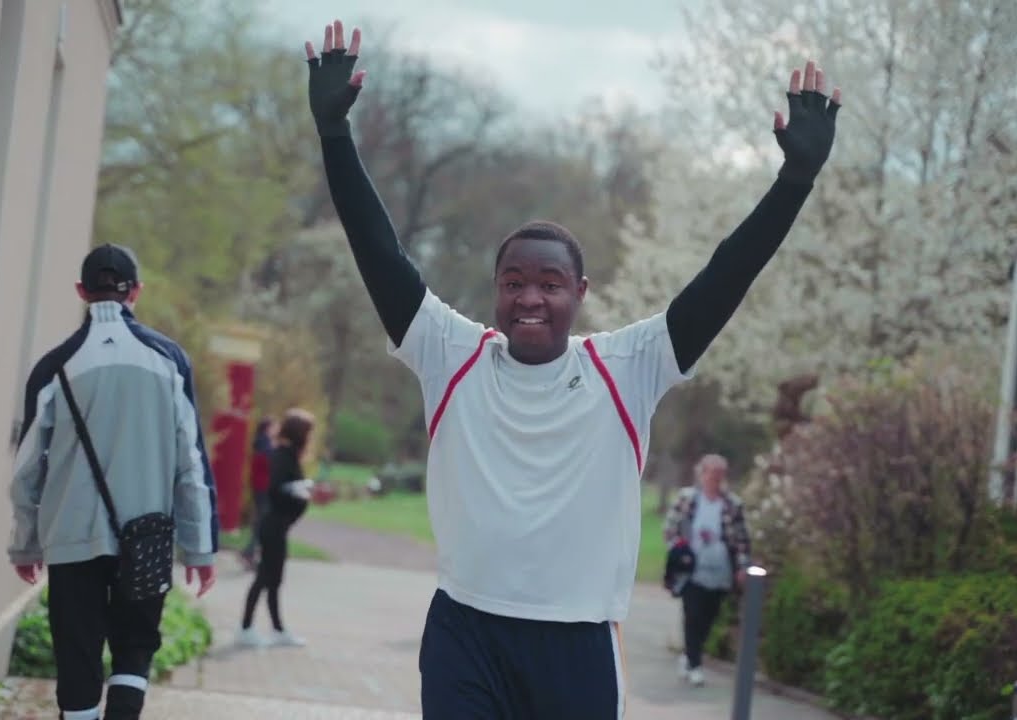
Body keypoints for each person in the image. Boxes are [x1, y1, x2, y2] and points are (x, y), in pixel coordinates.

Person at [304, 19, 840, 717]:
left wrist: (793, 180)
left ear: (579, 294)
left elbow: (723, 277)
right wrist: (335, 136)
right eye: (514, 281)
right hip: (466, 631)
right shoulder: (450, 352)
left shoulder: (630, 367)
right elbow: (378, 249)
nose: (531, 297)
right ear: (495, 288)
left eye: (550, 284)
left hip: (577, 643)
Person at [7, 243, 219, 720]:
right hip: (146, 539)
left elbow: (26, 470)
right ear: (136, 292)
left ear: (82, 291)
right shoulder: (168, 360)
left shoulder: (54, 366)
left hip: (70, 539)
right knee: (134, 651)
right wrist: (200, 548)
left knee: (77, 661)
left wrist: (25, 544)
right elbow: (191, 464)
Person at [662, 454, 752, 686]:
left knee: (708, 617)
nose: (715, 479)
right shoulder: (688, 499)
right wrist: (678, 551)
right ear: (701, 474)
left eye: (719, 474)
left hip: (720, 570)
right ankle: (695, 664)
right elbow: (670, 529)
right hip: (691, 569)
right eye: (710, 473)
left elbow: (742, 540)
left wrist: (742, 566)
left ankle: (689, 655)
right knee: (692, 614)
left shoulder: (732, 505)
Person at [238, 408, 316, 648]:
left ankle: (277, 629)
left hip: (278, 527)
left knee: (274, 579)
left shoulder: (288, 455)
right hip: (272, 526)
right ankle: (246, 627)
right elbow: (277, 488)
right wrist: (301, 488)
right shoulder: (282, 455)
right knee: (264, 577)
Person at [241, 416, 276, 568]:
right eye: (275, 426)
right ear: (268, 428)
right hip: (264, 488)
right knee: (263, 522)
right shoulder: (265, 445)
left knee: (261, 521)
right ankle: (249, 552)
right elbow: (269, 464)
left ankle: (251, 552)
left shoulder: (261, 443)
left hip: (259, 487)